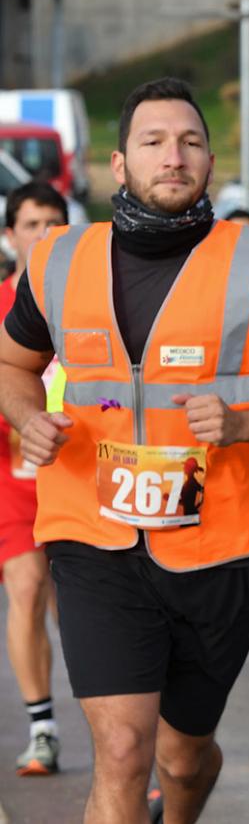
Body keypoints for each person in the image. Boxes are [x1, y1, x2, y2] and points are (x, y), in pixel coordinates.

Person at [0, 77, 249, 824]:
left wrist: (243, 425)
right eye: (155, 141)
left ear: (210, 160)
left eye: (191, 141)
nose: (175, 155)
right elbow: (10, 363)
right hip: (92, 539)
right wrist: (28, 414)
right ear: (119, 164)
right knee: (125, 754)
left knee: (181, 756)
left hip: (218, 547)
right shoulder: (58, 260)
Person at [0, 181, 67, 776]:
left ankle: (127, 727)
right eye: (31, 225)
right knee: (24, 587)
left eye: (55, 224)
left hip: (83, 480)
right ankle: (42, 727)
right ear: (10, 234)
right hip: (14, 481)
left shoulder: (93, 302)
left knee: (70, 608)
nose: (44, 236)